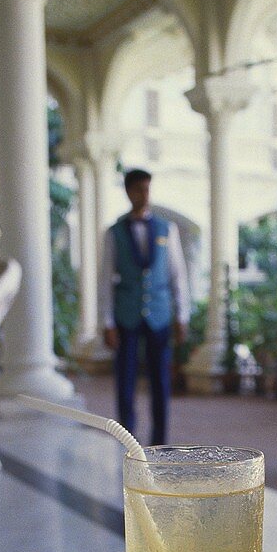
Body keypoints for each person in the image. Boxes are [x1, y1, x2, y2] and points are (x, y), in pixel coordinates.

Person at [101, 169, 190, 445]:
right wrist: (107, 322)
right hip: (126, 313)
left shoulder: (166, 229)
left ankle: (160, 440)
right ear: (128, 192)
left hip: (160, 314)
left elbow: (178, 274)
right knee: (125, 379)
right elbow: (104, 279)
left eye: (147, 189)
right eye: (139, 189)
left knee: (160, 379)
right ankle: (128, 438)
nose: (144, 194)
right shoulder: (114, 232)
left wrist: (182, 314)